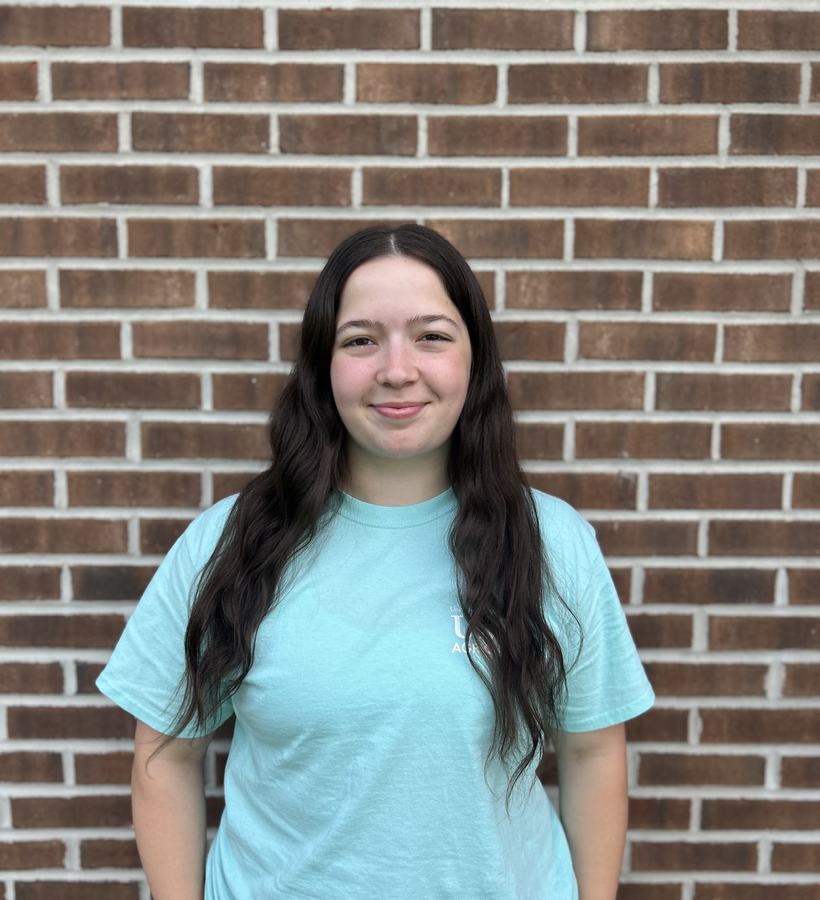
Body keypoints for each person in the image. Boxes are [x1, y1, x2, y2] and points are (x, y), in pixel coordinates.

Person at [96, 223, 655, 900]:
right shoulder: (233, 543)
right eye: (360, 340)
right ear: (322, 364)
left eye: (431, 336)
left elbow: (592, 750)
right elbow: (166, 753)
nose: (396, 369)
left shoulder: (552, 543)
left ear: (474, 359)